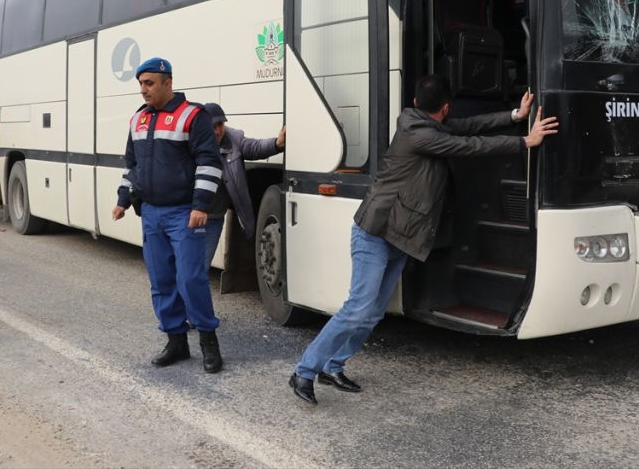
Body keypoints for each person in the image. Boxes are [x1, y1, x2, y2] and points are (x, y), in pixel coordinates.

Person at [289, 75, 558, 405]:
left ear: (417, 103)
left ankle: (333, 365)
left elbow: (467, 126)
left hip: (400, 236)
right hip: (375, 232)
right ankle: (304, 370)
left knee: (372, 313)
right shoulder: (421, 136)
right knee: (358, 308)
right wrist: (524, 143)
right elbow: (469, 145)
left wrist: (514, 116)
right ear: (444, 107)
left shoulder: (421, 123)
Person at [112, 57, 225, 373]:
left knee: (190, 279)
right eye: (140, 84)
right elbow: (132, 166)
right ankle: (176, 342)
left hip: (183, 214)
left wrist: (201, 205)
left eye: (149, 83)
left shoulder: (193, 116)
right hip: (151, 213)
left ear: (167, 82)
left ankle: (208, 341)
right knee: (161, 281)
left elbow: (209, 161)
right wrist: (123, 199)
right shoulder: (139, 119)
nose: (143, 90)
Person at [201, 102, 285, 272]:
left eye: (220, 125)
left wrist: (277, 144)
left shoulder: (233, 139)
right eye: (213, 126)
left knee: (201, 268)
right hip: (190, 216)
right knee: (184, 268)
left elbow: (254, 147)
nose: (218, 131)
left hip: (214, 218)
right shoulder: (192, 142)